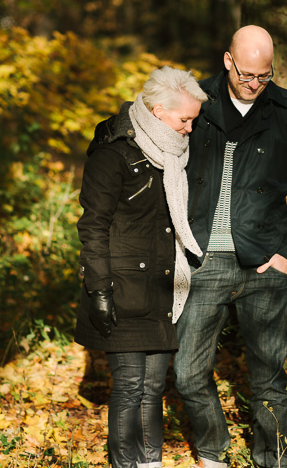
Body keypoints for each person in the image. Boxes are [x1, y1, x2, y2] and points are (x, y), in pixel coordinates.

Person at [175, 25, 287, 468]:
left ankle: (273, 460)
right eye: (246, 75)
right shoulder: (196, 102)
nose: (255, 84)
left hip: (265, 261)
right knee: (186, 373)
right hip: (203, 259)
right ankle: (212, 450)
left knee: (269, 379)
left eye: (264, 75)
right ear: (227, 61)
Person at [74, 66, 207, 468]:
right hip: (121, 289)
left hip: (164, 287)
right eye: (184, 120)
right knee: (130, 386)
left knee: (153, 388)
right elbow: (92, 226)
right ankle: (124, 464)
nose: (189, 129)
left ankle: (151, 463)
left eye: (193, 121)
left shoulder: (175, 155)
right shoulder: (112, 153)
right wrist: (99, 291)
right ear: (157, 110)